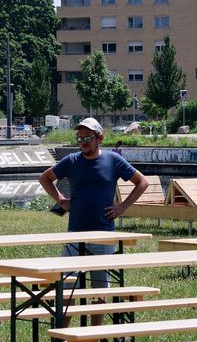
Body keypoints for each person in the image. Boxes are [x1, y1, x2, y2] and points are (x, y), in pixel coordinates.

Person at [39, 117, 149, 324]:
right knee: (67, 286)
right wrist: (61, 199)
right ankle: (62, 334)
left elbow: (142, 182)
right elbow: (45, 178)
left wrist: (122, 207)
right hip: (76, 234)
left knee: (100, 288)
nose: (83, 142)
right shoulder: (71, 161)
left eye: (88, 137)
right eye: (79, 137)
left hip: (103, 235)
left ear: (100, 138)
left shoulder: (113, 160)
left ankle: (94, 336)